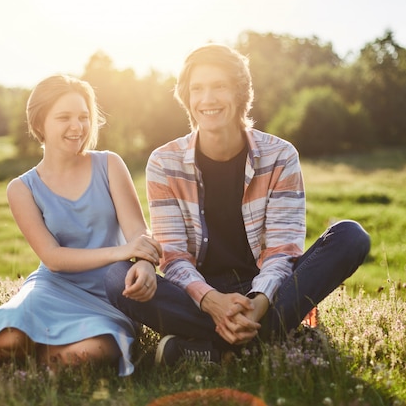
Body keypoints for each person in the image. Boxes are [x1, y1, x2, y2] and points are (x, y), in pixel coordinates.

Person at [105, 43, 371, 365]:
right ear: (187, 98)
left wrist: (258, 303)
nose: (208, 99)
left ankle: (214, 348)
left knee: (350, 236)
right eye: (198, 89)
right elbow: (174, 257)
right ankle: (266, 340)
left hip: (269, 288)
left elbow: (282, 252)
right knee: (115, 277)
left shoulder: (280, 156)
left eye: (220, 86)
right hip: (198, 293)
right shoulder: (164, 163)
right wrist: (213, 302)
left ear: (240, 92)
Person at [0, 74, 162, 376]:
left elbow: (139, 232)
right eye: (64, 117)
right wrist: (122, 251)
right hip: (55, 288)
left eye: (84, 117)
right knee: (9, 340)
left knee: (86, 355)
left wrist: (145, 263)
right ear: (39, 124)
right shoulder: (22, 188)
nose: (78, 127)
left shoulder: (109, 164)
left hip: (110, 295)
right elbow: (54, 258)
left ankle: (0, 324)